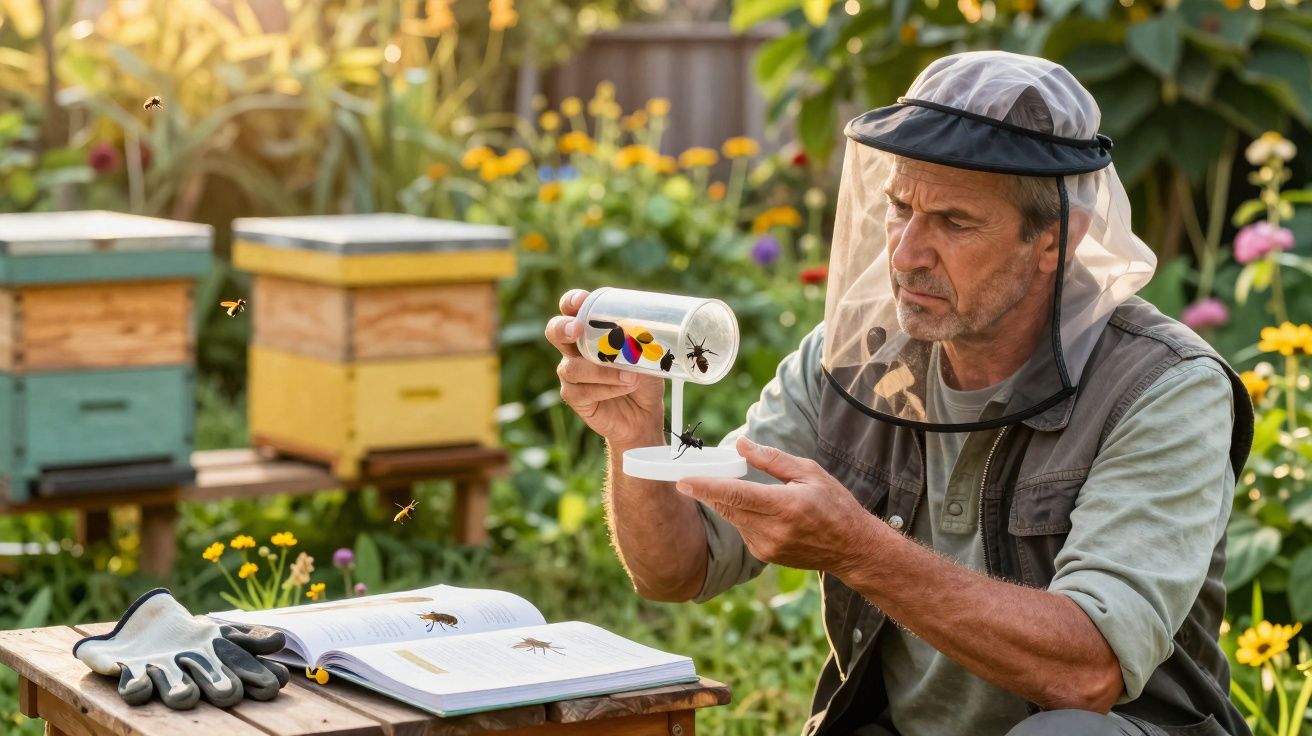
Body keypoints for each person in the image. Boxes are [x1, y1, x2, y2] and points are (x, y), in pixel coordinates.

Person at [544, 50, 1252, 736]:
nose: (907, 253)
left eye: (954, 222)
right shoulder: (850, 361)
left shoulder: (1164, 389)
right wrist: (632, 436)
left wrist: (860, 549)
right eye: (899, 207)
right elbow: (680, 566)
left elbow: (1088, 673)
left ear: (1057, 241)